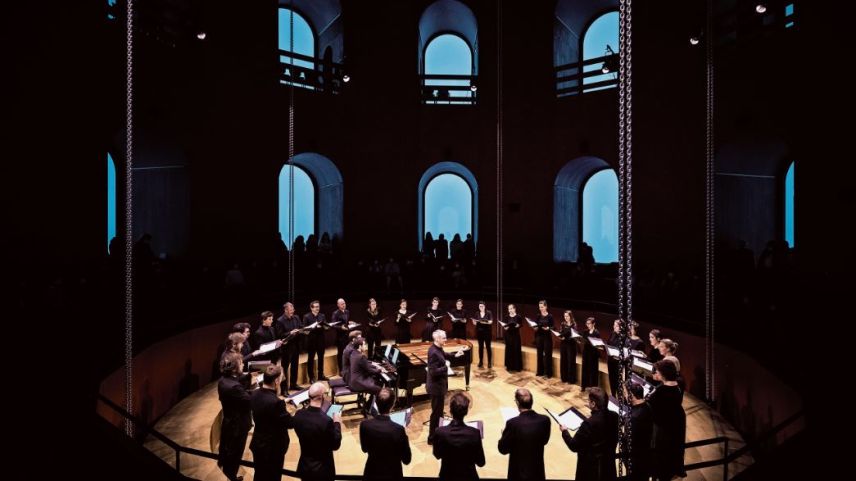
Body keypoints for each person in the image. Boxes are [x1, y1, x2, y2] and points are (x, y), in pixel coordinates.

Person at [560, 387, 619, 481]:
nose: (588, 403)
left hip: (591, 471)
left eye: (589, 401)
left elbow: (573, 446)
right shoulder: (615, 416)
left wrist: (564, 431)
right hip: (608, 466)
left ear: (593, 404)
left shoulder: (588, 424)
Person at [250, 365, 294, 481]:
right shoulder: (276, 403)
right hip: (272, 449)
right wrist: (297, 412)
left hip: (258, 443)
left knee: (259, 475)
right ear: (276, 381)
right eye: (282, 378)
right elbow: (289, 423)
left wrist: (282, 401)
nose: (282, 380)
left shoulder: (254, 394)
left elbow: (266, 405)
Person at [292, 382, 343, 481]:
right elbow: (336, 445)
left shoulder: (298, 415)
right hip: (322, 470)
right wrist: (337, 423)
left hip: (305, 466)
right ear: (322, 396)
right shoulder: (326, 421)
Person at [497, 388, 551, 481]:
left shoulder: (512, 423)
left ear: (517, 403)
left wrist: (504, 436)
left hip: (518, 474)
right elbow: (544, 441)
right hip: (537, 472)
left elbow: (503, 449)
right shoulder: (545, 420)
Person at [359, 387, 412, 481]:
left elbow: (364, 449)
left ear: (376, 403)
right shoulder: (398, 430)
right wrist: (404, 436)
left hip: (372, 473)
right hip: (393, 474)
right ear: (393, 404)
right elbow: (406, 460)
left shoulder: (364, 425)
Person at [647, 360, 686, 481]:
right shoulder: (678, 385)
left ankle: (661, 474)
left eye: (657, 372)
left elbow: (651, 408)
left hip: (663, 427)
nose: (656, 373)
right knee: (673, 449)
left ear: (663, 374)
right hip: (676, 422)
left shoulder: (661, 391)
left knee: (661, 453)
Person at [433, 392, 485, 480]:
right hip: (468, 476)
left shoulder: (440, 432)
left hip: (447, 476)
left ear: (450, 410)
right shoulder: (475, 433)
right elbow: (481, 462)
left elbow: (437, 455)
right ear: (466, 411)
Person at [427, 330, 466, 444]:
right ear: (437, 339)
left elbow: (445, 355)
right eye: (444, 338)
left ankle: (438, 434)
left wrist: (456, 354)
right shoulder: (433, 352)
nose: (445, 339)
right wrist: (446, 366)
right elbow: (433, 372)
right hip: (436, 387)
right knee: (436, 413)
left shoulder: (437, 348)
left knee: (439, 412)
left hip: (439, 386)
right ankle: (432, 438)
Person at [217, 352, 252, 481]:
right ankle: (231, 477)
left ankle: (229, 474)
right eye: (241, 363)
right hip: (237, 425)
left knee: (230, 451)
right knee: (235, 454)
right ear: (235, 367)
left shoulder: (223, 381)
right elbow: (249, 401)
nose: (243, 364)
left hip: (229, 421)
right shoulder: (235, 387)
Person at [626, 382, 653, 481]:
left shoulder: (634, 417)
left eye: (625, 393)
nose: (624, 396)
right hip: (646, 454)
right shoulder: (648, 406)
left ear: (632, 396)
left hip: (636, 458)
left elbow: (630, 439)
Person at [276, 302, 304, 393]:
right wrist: (290, 333)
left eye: (293, 310)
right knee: (285, 368)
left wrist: (301, 330)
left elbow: (300, 327)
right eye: (291, 310)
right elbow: (279, 335)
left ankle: (293, 384)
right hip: (286, 349)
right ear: (285, 310)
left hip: (295, 346)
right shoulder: (280, 320)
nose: (293, 311)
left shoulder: (296, 318)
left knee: (295, 367)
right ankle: (284, 389)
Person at [304, 301, 329, 382]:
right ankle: (311, 377)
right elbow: (305, 329)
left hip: (321, 340)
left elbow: (326, 327)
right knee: (311, 359)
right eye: (315, 307)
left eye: (318, 306)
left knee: (321, 358)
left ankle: (320, 375)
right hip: (311, 341)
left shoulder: (322, 316)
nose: (317, 308)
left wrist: (326, 327)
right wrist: (315, 327)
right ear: (311, 308)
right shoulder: (307, 317)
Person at [331, 298, 352, 374]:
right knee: (341, 354)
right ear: (338, 305)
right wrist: (341, 327)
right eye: (342, 304)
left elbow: (346, 322)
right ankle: (341, 370)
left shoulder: (347, 311)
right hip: (340, 337)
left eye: (344, 303)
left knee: (348, 352)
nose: (344, 305)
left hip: (347, 336)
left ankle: (348, 368)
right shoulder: (335, 313)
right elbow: (333, 326)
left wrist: (350, 323)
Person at [581, 317, 602, 390]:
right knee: (585, 369)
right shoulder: (585, 331)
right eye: (586, 323)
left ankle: (593, 388)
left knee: (593, 371)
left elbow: (598, 344)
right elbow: (582, 340)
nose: (587, 325)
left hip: (593, 354)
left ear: (593, 324)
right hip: (586, 353)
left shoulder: (596, 333)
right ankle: (584, 386)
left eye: (589, 323)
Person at [535, 300, 554, 378]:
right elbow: (536, 326)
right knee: (539, 354)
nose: (541, 308)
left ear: (546, 307)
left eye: (542, 307)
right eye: (540, 307)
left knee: (547, 355)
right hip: (539, 337)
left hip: (547, 337)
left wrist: (548, 328)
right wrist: (535, 327)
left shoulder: (550, 316)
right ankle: (540, 371)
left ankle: (547, 373)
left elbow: (553, 327)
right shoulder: (538, 316)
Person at [559, 310, 579, 384]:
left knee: (571, 362)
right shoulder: (563, 323)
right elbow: (560, 332)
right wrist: (560, 336)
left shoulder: (574, 324)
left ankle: (571, 379)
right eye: (564, 316)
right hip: (563, 344)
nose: (566, 317)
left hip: (571, 345)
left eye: (567, 316)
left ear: (570, 316)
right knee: (563, 360)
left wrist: (566, 338)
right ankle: (564, 378)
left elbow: (575, 335)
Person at [503, 304, 523, 372]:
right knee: (509, 350)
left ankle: (517, 367)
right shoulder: (506, 317)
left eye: (511, 309)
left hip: (516, 336)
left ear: (514, 309)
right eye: (509, 309)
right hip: (508, 335)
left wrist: (518, 326)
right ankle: (509, 367)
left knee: (516, 350)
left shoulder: (518, 317)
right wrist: (506, 327)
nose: (510, 310)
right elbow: (504, 326)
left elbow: (521, 325)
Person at [473, 301, 493, 368]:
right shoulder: (477, 313)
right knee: (480, 347)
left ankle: (489, 362)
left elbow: (490, 321)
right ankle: (480, 361)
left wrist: (485, 322)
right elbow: (475, 323)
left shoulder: (489, 312)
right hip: (479, 332)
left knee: (488, 347)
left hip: (487, 332)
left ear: (484, 306)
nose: (481, 307)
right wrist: (474, 322)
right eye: (479, 306)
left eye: (482, 306)